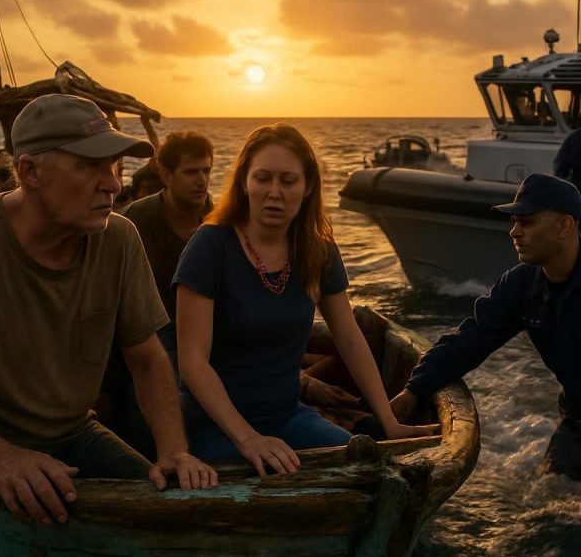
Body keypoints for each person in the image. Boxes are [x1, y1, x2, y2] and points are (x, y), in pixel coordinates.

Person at [0, 94, 215, 526]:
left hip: (74, 434)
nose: (111, 184)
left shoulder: (118, 239)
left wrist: (173, 450)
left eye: (113, 166)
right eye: (90, 166)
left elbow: (146, 358)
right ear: (30, 172)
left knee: (179, 522)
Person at [390, 174, 581, 515]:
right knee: (544, 510)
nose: (514, 232)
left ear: (564, 226)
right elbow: (471, 339)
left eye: (526, 222)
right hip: (580, 421)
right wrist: (415, 390)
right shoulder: (521, 285)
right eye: (514, 223)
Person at [174, 123, 435, 475]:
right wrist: (249, 439)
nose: (274, 192)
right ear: (244, 182)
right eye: (263, 178)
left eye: (288, 181)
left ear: (308, 186)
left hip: (287, 417)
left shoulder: (317, 249)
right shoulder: (210, 246)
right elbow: (192, 361)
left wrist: (388, 421)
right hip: (216, 427)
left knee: (372, 472)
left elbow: (348, 335)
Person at [102, 131, 215, 456]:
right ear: (166, 174)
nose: (201, 181)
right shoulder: (136, 221)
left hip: (206, 328)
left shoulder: (218, 223)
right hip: (147, 328)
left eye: (206, 171)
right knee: (147, 383)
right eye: (191, 172)